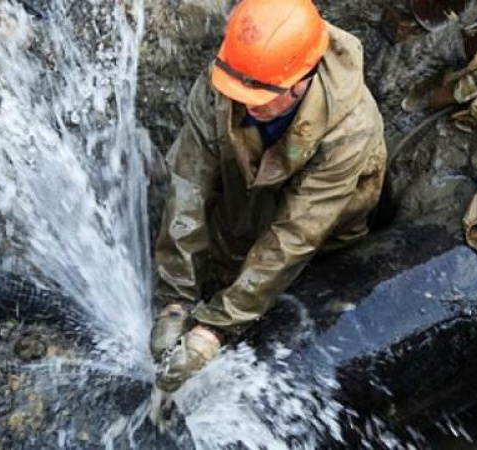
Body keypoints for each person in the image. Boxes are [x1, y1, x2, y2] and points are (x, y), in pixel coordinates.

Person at [151, 0, 387, 392]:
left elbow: (296, 235)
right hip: (244, 203)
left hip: (324, 238)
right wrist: (174, 299)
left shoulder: (351, 130)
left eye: (258, 95)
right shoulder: (230, 78)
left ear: (301, 81)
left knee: (293, 298)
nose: (243, 102)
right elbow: (188, 185)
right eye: (238, 90)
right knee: (226, 248)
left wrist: (215, 327)